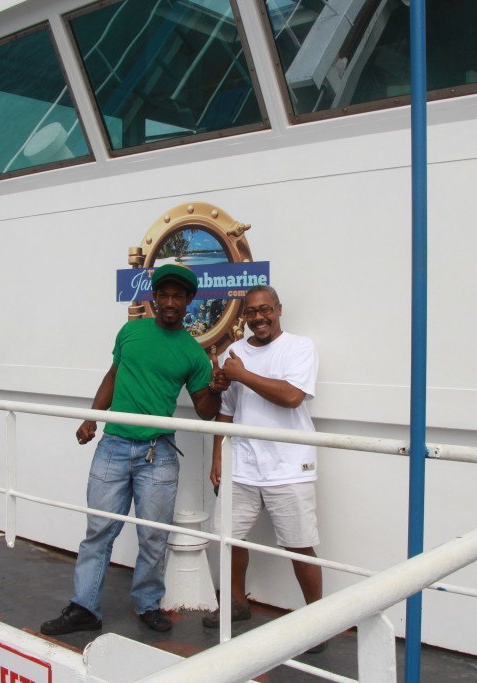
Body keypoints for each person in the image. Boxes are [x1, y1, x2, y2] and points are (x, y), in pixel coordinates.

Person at [39, 263, 229, 636]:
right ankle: (84, 608)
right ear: (154, 297)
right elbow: (113, 375)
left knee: (153, 536)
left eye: (178, 296)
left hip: (158, 455)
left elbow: (205, 412)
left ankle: (147, 605)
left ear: (189, 301)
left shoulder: (193, 353)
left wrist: (218, 389)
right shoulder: (130, 331)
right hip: (112, 445)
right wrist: (91, 417)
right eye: (164, 294)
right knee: (98, 531)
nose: (170, 301)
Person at [203, 285, 326, 652]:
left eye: (265, 310)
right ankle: (237, 603)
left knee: (299, 544)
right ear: (244, 316)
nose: (259, 318)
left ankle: (317, 621)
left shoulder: (300, 347)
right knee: (229, 536)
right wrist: (217, 457)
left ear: (278, 310)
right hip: (242, 461)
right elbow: (226, 410)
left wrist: (241, 375)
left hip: (289, 464)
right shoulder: (233, 353)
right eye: (252, 312)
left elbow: (292, 397)